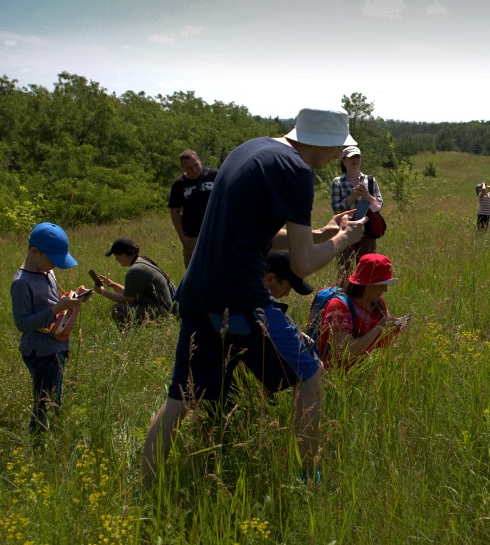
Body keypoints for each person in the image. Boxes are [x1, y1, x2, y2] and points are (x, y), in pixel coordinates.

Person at [142, 107, 366, 487]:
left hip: (196, 292)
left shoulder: (252, 150)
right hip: (240, 298)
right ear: (325, 143)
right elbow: (303, 264)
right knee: (311, 373)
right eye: (336, 149)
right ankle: (306, 479)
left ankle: (143, 490)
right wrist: (346, 238)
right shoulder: (296, 171)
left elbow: (251, 234)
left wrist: (320, 233)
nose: (334, 158)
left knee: (181, 400)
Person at [10, 222, 89, 434]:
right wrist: (56, 309)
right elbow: (23, 323)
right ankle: (38, 442)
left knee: (55, 398)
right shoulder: (21, 283)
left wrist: (73, 298)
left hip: (55, 348)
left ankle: (51, 437)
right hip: (40, 352)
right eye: (52, 261)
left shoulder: (47, 273)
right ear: (35, 252)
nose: (55, 266)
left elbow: (53, 301)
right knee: (44, 404)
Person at [317, 254, 409, 372]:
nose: (385, 289)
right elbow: (344, 352)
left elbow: (381, 344)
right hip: (339, 377)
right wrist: (379, 327)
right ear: (366, 283)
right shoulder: (338, 306)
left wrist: (394, 330)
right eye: (381, 284)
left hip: (367, 373)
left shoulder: (378, 304)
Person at [330, 145, 384, 279]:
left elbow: (378, 206)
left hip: (367, 229)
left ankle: (363, 297)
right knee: (344, 268)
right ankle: (343, 296)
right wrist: (351, 198)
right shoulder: (337, 182)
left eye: (357, 157)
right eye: (351, 157)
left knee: (367, 267)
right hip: (345, 229)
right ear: (344, 161)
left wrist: (367, 195)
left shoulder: (370, 180)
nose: (355, 160)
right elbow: (336, 209)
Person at [96, 237, 174, 326]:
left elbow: (127, 299)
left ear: (122, 254)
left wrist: (102, 292)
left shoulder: (135, 270)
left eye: (115, 255)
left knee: (118, 308)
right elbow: (130, 294)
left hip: (162, 315)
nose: (116, 259)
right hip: (165, 311)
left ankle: (127, 336)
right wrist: (113, 285)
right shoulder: (142, 263)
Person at [168, 149, 218, 267]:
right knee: (194, 273)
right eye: (189, 168)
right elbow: (175, 211)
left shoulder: (214, 175)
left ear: (199, 160)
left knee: (220, 270)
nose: (194, 170)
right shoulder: (179, 184)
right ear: (183, 168)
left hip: (216, 233)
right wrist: (182, 237)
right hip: (193, 236)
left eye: (196, 165)